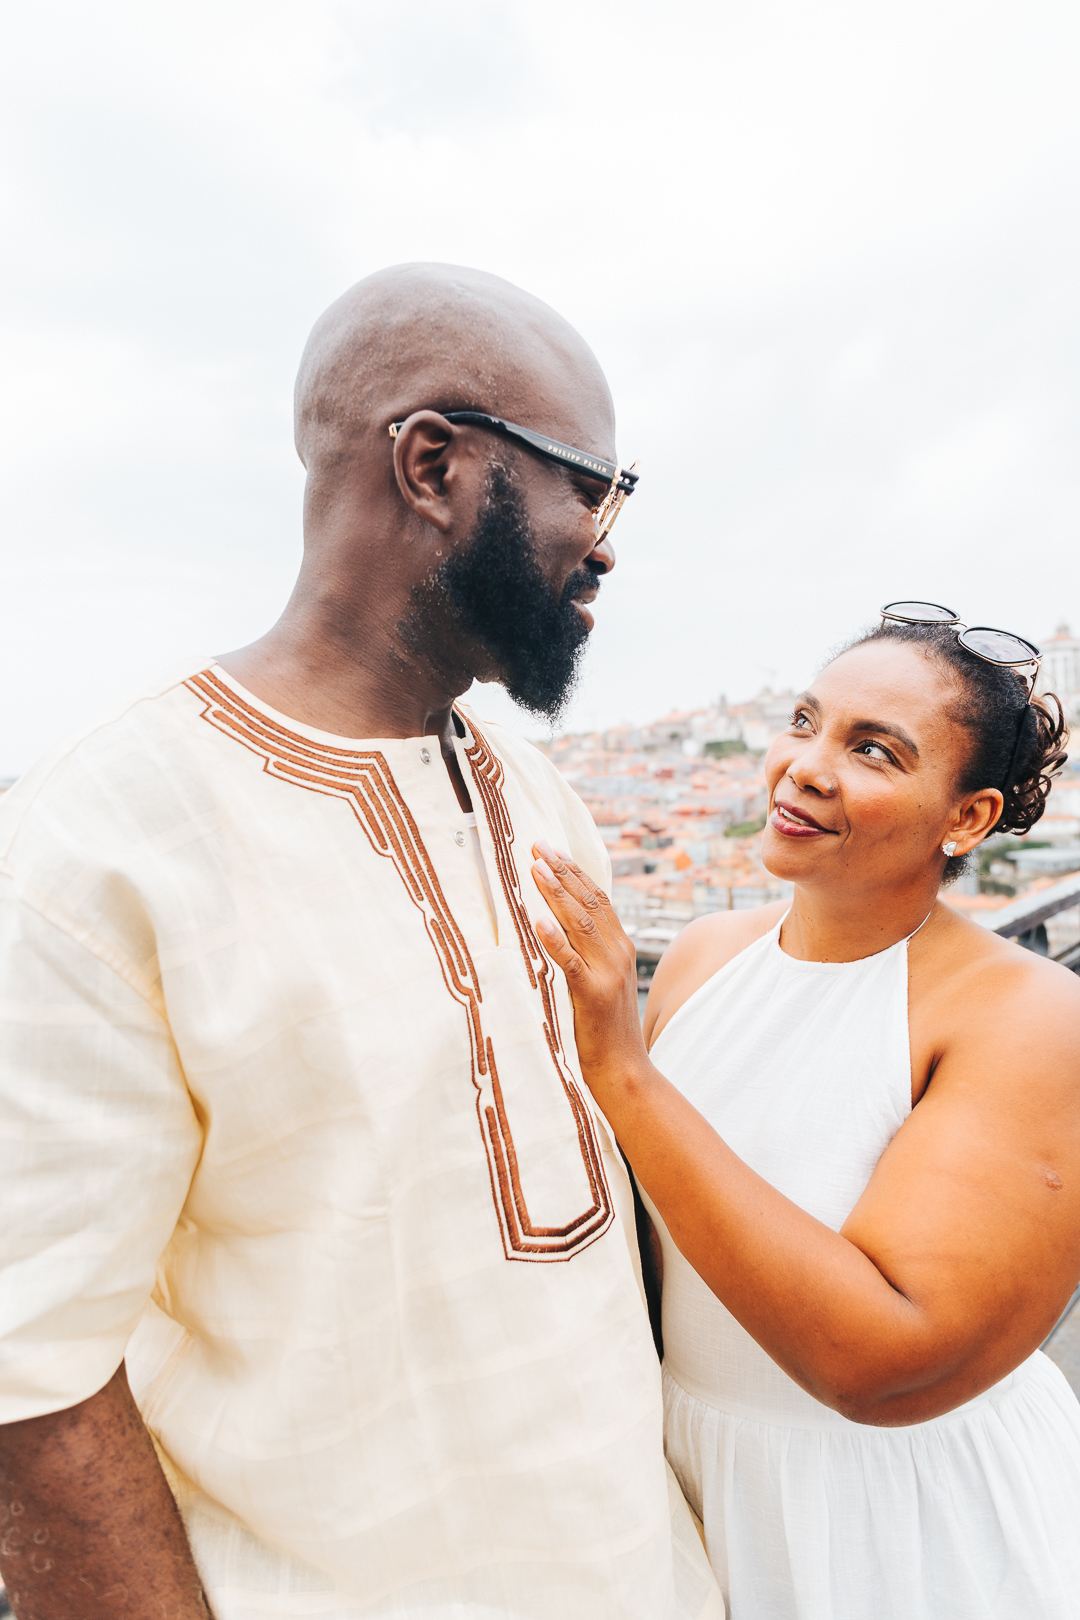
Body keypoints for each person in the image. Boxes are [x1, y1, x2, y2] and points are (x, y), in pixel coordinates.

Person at [0, 265, 720, 1620]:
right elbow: (30, 1377)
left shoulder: (538, 793)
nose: (609, 542)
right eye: (592, 486)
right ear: (434, 463)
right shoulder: (112, 830)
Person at [530, 605, 1080, 1620]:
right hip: (696, 1483)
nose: (805, 767)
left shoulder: (1029, 1015)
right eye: (804, 721)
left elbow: (884, 1360)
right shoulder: (704, 952)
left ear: (967, 819)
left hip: (902, 1526)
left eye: (873, 751)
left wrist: (622, 1068)